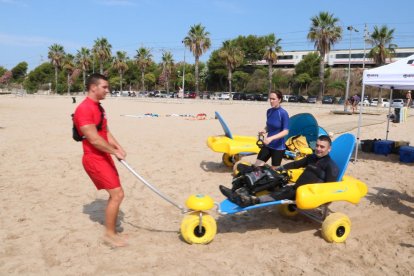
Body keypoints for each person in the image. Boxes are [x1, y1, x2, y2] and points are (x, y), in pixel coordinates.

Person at [73, 73, 128, 247]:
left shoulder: (99, 107)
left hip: (104, 156)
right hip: (94, 158)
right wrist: (113, 152)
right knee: (117, 194)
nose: (107, 90)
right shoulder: (84, 109)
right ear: (93, 87)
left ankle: (110, 231)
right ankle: (109, 235)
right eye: (104, 87)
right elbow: (94, 139)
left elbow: (106, 132)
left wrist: (118, 147)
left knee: (117, 194)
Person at [220, 135, 339, 207]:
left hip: (306, 194)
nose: (318, 149)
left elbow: (330, 190)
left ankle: (251, 201)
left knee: (280, 193)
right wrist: (279, 169)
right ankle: (238, 191)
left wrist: (320, 201)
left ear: (329, 149)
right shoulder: (312, 157)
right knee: (268, 174)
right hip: (295, 188)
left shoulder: (330, 166)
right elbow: (295, 164)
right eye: (317, 145)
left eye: (322, 147)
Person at [254, 90, 289, 169]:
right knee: (256, 166)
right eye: (270, 99)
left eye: (273, 99)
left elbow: (285, 131)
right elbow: (269, 125)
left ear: (279, 100)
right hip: (268, 145)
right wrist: (264, 130)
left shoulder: (283, 113)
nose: (271, 101)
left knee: (274, 171)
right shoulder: (269, 111)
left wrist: (271, 138)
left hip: (278, 147)